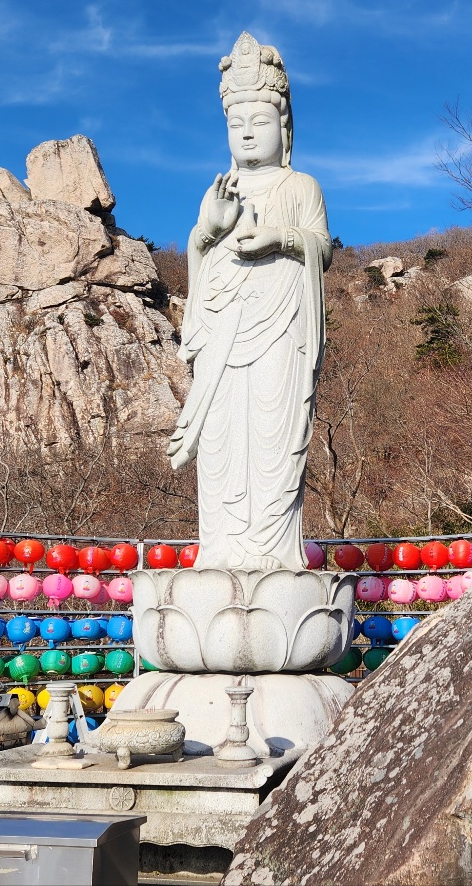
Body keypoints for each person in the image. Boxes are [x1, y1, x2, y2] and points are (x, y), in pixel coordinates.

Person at [167, 32, 331, 571]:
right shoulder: (218, 190)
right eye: (236, 123)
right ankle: (219, 552)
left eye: (260, 120)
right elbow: (200, 254)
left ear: (284, 126)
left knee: (272, 436)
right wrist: (206, 233)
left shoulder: (301, 186)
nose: (247, 132)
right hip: (222, 333)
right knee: (219, 443)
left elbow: (322, 247)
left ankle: (273, 555)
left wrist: (280, 239)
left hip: (279, 330)